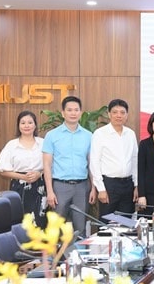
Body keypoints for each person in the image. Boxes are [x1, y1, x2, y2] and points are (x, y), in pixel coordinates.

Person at [42, 96, 94, 233]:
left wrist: (94, 188)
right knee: (56, 228)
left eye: (76, 110)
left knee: (80, 228)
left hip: (82, 187)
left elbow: (91, 164)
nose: (73, 113)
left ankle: (79, 255)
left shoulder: (88, 136)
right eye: (69, 110)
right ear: (62, 113)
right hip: (60, 186)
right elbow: (47, 165)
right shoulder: (52, 135)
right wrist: (50, 191)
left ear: (81, 112)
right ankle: (57, 255)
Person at [0, 111, 48, 227]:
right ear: (18, 126)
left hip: (40, 186)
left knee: (40, 222)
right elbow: (2, 170)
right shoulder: (12, 145)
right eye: (23, 123)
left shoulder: (43, 143)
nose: (26, 125)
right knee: (19, 221)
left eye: (30, 122)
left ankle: (39, 245)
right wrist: (22, 177)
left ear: (35, 125)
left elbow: (52, 165)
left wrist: (39, 174)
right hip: (19, 187)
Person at [90, 99, 138, 218]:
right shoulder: (100, 133)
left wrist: (136, 185)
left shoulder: (130, 134)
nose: (119, 115)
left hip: (128, 185)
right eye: (115, 112)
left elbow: (134, 160)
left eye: (122, 112)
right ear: (109, 114)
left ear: (127, 115)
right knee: (107, 224)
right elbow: (94, 162)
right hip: (109, 185)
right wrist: (100, 188)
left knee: (126, 223)